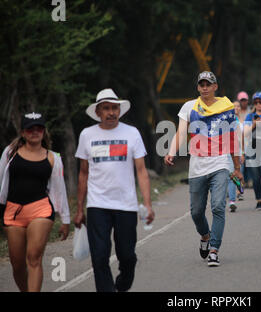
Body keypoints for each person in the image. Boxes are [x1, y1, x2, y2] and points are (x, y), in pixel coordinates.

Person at [73, 88, 154, 292]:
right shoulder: (87, 135)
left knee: (127, 255)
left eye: (114, 108)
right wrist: (79, 209)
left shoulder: (131, 133)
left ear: (119, 110)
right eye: (106, 108)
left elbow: (141, 170)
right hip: (97, 204)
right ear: (98, 112)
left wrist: (147, 204)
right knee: (99, 256)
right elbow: (83, 173)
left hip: (126, 204)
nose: (111, 112)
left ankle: (122, 284)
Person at [164, 71, 243, 267]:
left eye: (209, 84)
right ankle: (205, 236)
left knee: (217, 206)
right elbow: (181, 133)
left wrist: (237, 167)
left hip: (220, 163)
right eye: (202, 84)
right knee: (196, 212)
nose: (205, 87)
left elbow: (232, 138)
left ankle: (214, 250)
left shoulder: (226, 108)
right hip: (198, 165)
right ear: (198, 87)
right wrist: (172, 151)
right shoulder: (189, 107)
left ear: (215, 86)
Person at [0, 112, 70, 292]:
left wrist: (65, 219)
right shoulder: (10, 153)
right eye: (30, 128)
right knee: (17, 265)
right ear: (23, 132)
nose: (35, 132)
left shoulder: (53, 157)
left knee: (34, 258)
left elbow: (59, 190)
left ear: (44, 132)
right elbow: (1, 181)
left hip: (40, 210)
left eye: (39, 128)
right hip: (13, 212)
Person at [227, 100, 244, 211]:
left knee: (235, 174)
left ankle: (238, 190)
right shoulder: (227, 120)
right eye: (234, 107)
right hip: (227, 150)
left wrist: (242, 152)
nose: (236, 108)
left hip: (237, 150)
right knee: (230, 175)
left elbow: (241, 138)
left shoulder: (240, 121)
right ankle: (232, 201)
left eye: (238, 106)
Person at [237, 91, 252, 188]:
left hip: (249, 139)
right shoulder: (236, 112)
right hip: (239, 141)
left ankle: (249, 180)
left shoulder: (250, 111)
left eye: (245, 100)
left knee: (249, 162)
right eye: (241, 100)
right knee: (241, 162)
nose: (243, 102)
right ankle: (242, 182)